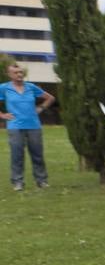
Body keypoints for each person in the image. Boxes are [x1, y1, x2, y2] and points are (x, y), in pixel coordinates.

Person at [3, 62, 54, 190]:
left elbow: (50, 98)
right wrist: (2, 115)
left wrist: (41, 107)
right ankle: (18, 182)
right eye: (16, 72)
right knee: (17, 155)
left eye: (21, 72)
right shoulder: (4, 88)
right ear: (9, 74)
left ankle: (41, 181)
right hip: (15, 126)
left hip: (33, 125)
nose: (19, 74)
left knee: (37, 154)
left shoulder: (31, 87)